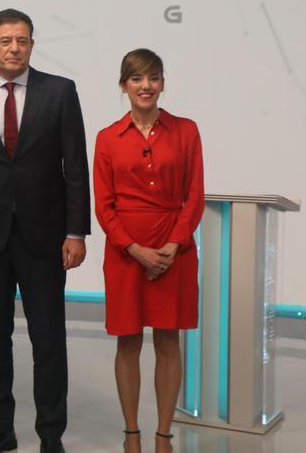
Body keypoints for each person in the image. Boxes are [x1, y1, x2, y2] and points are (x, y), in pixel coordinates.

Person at [0, 8, 91, 453]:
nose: (14, 48)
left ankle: (51, 434)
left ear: (32, 45)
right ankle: (1, 430)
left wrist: (76, 232)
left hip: (45, 238)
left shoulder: (60, 92)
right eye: (6, 40)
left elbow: (76, 169)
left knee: (48, 339)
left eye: (23, 41)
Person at [93, 48, 204, 453]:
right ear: (124, 85)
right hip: (126, 253)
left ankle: (162, 434)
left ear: (163, 83)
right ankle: (131, 433)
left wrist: (173, 245)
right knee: (127, 341)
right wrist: (135, 249)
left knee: (169, 341)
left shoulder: (187, 130)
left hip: (175, 248)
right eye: (137, 78)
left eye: (154, 77)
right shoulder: (107, 138)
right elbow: (103, 206)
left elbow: (194, 195)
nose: (146, 86)